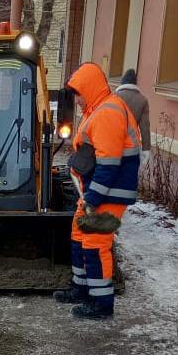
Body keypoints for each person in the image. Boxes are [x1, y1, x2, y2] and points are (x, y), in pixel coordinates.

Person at [53, 62, 141, 320]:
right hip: (95, 191)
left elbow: (109, 163)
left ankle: (101, 304)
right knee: (79, 235)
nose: (77, 100)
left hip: (107, 193)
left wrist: (93, 198)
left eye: (80, 93)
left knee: (95, 243)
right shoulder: (100, 110)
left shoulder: (107, 114)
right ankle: (81, 288)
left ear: (90, 89)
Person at [115, 69, 151, 163]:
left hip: (114, 142)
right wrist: (146, 149)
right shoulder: (143, 100)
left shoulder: (114, 96)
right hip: (132, 146)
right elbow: (145, 128)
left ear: (122, 83)